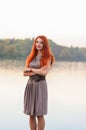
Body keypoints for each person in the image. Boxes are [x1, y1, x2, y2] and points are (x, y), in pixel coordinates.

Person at [23, 35, 55, 130]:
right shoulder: (31, 56)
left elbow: (44, 72)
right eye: (37, 42)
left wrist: (31, 69)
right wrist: (38, 70)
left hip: (40, 86)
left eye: (41, 42)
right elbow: (24, 73)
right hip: (30, 86)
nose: (38, 44)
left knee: (39, 114)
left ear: (44, 44)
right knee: (31, 114)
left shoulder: (48, 57)